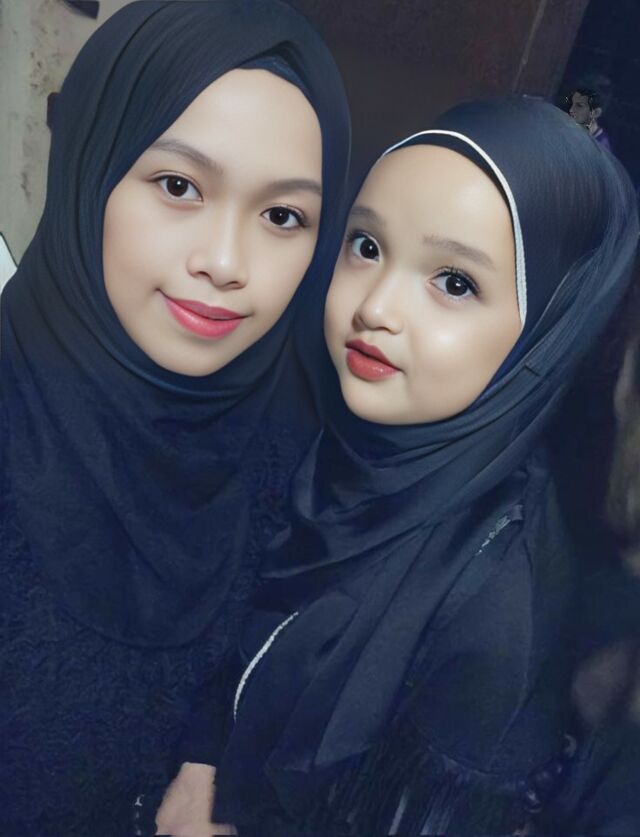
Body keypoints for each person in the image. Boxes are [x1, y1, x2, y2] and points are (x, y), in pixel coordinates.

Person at [210, 98, 639, 836]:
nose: (376, 307)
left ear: (548, 329)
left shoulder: (498, 612)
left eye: (455, 282)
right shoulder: (319, 425)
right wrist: (200, 760)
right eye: (366, 245)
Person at [0, 2, 350, 834]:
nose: (225, 263)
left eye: (283, 216)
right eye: (178, 185)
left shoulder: (295, 440)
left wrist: (208, 751)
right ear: (91, 169)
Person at [567, 85, 613, 151]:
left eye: (579, 106)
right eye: (572, 104)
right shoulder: (571, 129)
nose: (571, 110)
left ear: (595, 113)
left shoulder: (600, 147)